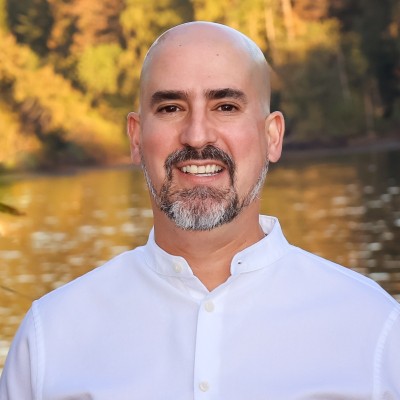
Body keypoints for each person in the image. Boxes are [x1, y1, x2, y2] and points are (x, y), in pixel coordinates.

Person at [0, 21, 399, 400]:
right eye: (171, 108)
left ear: (272, 136)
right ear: (136, 138)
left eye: (225, 106)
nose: (196, 136)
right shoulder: (51, 336)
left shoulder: (373, 329)